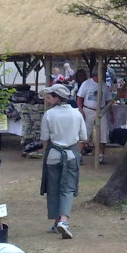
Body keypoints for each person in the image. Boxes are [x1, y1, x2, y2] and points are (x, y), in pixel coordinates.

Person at [40, 83, 87, 238]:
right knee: (67, 189)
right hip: (71, 154)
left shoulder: (49, 114)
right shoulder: (77, 114)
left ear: (56, 98)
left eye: (49, 96)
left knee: (53, 188)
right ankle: (63, 221)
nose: (47, 99)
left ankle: (56, 221)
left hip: (53, 154)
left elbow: (45, 138)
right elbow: (83, 138)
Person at [77, 71, 111, 164]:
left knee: (103, 132)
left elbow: (108, 100)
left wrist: (111, 114)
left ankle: (101, 156)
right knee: (85, 132)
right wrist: (81, 110)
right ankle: (78, 155)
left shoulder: (104, 85)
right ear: (95, 76)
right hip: (88, 110)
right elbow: (79, 98)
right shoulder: (86, 84)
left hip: (101, 110)